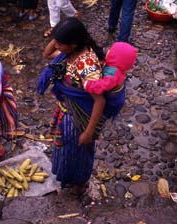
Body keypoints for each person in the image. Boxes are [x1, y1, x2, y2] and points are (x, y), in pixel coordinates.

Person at [38, 17, 126, 195]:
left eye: (61, 44)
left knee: (78, 152)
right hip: (66, 111)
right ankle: (67, 176)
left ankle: (79, 182)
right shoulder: (70, 52)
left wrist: (88, 132)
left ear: (73, 44)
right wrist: (58, 36)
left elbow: (99, 101)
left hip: (78, 119)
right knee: (66, 148)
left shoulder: (87, 67)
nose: (57, 46)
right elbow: (47, 54)